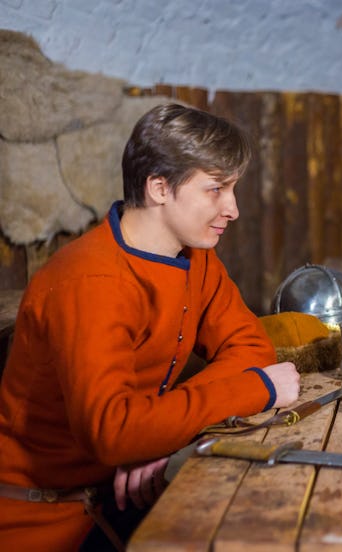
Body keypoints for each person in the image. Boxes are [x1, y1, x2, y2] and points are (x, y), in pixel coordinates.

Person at [0, 103, 301, 550]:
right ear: (159, 187)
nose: (233, 209)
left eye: (232, 189)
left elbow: (251, 346)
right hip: (44, 523)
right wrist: (256, 390)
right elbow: (114, 432)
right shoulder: (91, 280)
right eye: (216, 189)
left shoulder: (195, 257)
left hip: (121, 497)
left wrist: (158, 435)